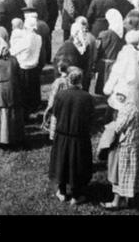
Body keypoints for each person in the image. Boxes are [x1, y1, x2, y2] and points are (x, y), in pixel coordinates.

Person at [47, 67, 94, 206]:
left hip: (62, 135)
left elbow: (55, 112)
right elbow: (91, 116)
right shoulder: (87, 97)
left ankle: (61, 192)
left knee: (62, 162)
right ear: (80, 80)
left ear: (68, 79)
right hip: (79, 136)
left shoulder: (60, 95)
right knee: (78, 165)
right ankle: (76, 195)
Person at [102, 86, 139, 210]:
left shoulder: (127, 108)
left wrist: (110, 127)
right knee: (129, 173)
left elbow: (119, 127)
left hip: (126, 144)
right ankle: (128, 200)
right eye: (118, 94)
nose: (120, 97)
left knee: (121, 173)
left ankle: (116, 202)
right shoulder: (130, 106)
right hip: (131, 143)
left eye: (122, 94)